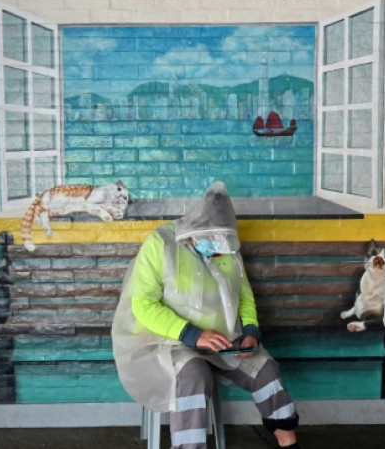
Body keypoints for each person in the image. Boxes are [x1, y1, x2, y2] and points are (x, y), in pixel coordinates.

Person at [112, 181, 301, 449]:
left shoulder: (227, 247)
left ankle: (288, 441)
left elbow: (245, 296)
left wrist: (250, 331)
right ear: (195, 229)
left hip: (221, 340)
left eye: (223, 241)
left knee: (265, 370)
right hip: (167, 342)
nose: (218, 248)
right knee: (194, 374)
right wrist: (192, 334)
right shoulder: (161, 244)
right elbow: (142, 304)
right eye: (213, 239)